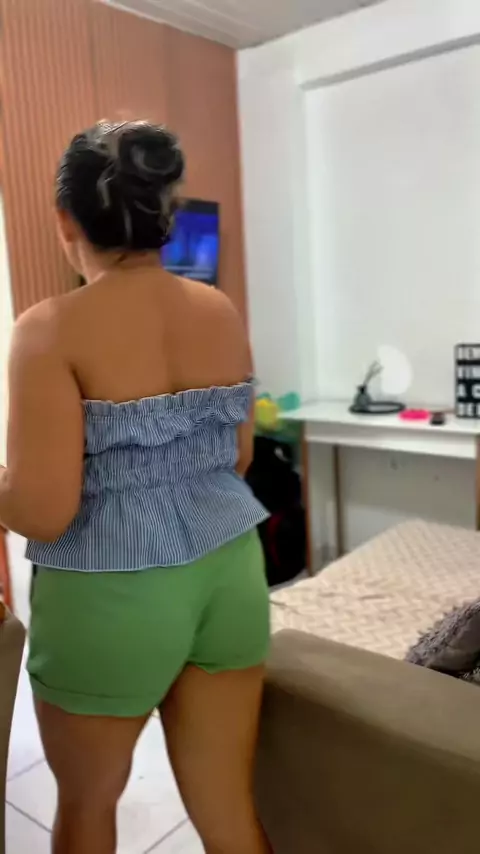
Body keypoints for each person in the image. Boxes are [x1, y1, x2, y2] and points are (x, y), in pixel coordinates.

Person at [0, 121, 271, 854]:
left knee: (89, 807)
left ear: (66, 221)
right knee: (230, 813)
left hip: (111, 591)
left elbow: (42, 511)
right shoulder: (218, 310)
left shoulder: (47, 330)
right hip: (229, 575)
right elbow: (238, 457)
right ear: (166, 213)